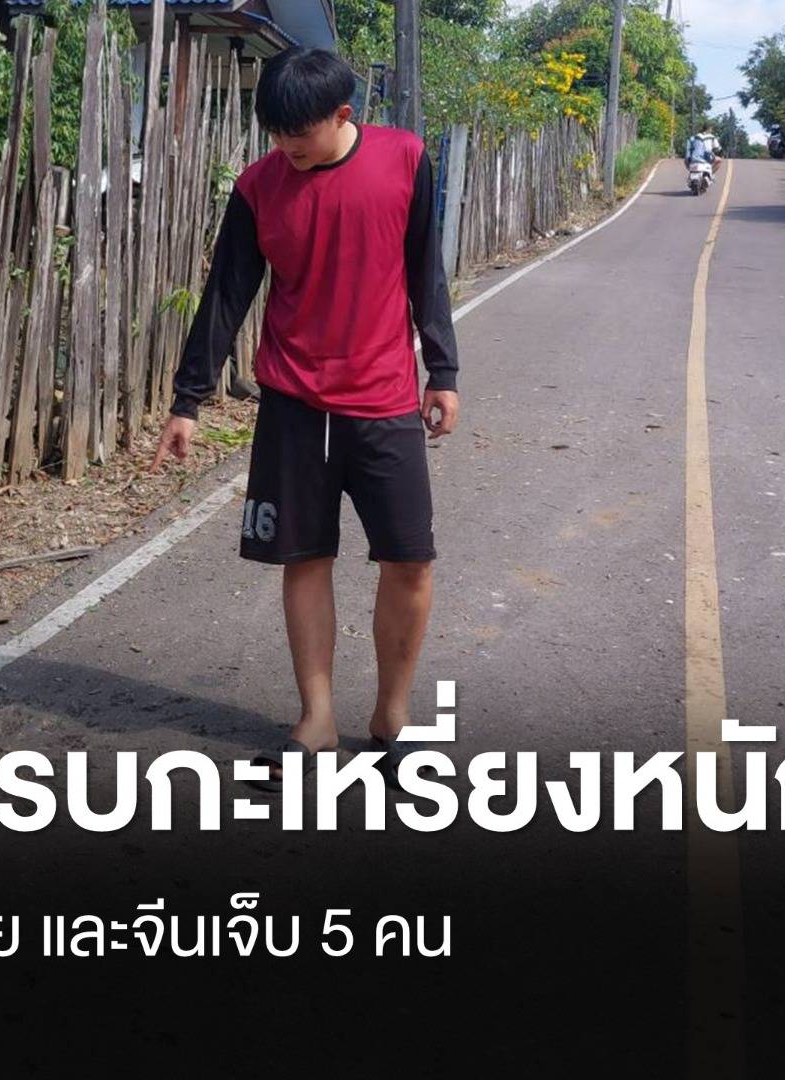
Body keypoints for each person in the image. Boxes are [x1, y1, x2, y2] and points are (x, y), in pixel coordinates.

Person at [149, 48, 459, 791]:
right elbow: (226, 294)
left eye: (300, 133)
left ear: (343, 115)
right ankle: (315, 719)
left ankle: (392, 717)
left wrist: (443, 372)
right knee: (304, 557)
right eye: (276, 132)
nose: (286, 146)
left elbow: (426, 269)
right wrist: (188, 401)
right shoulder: (258, 187)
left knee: (410, 560)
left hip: (383, 398)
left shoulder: (404, 160)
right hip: (293, 403)